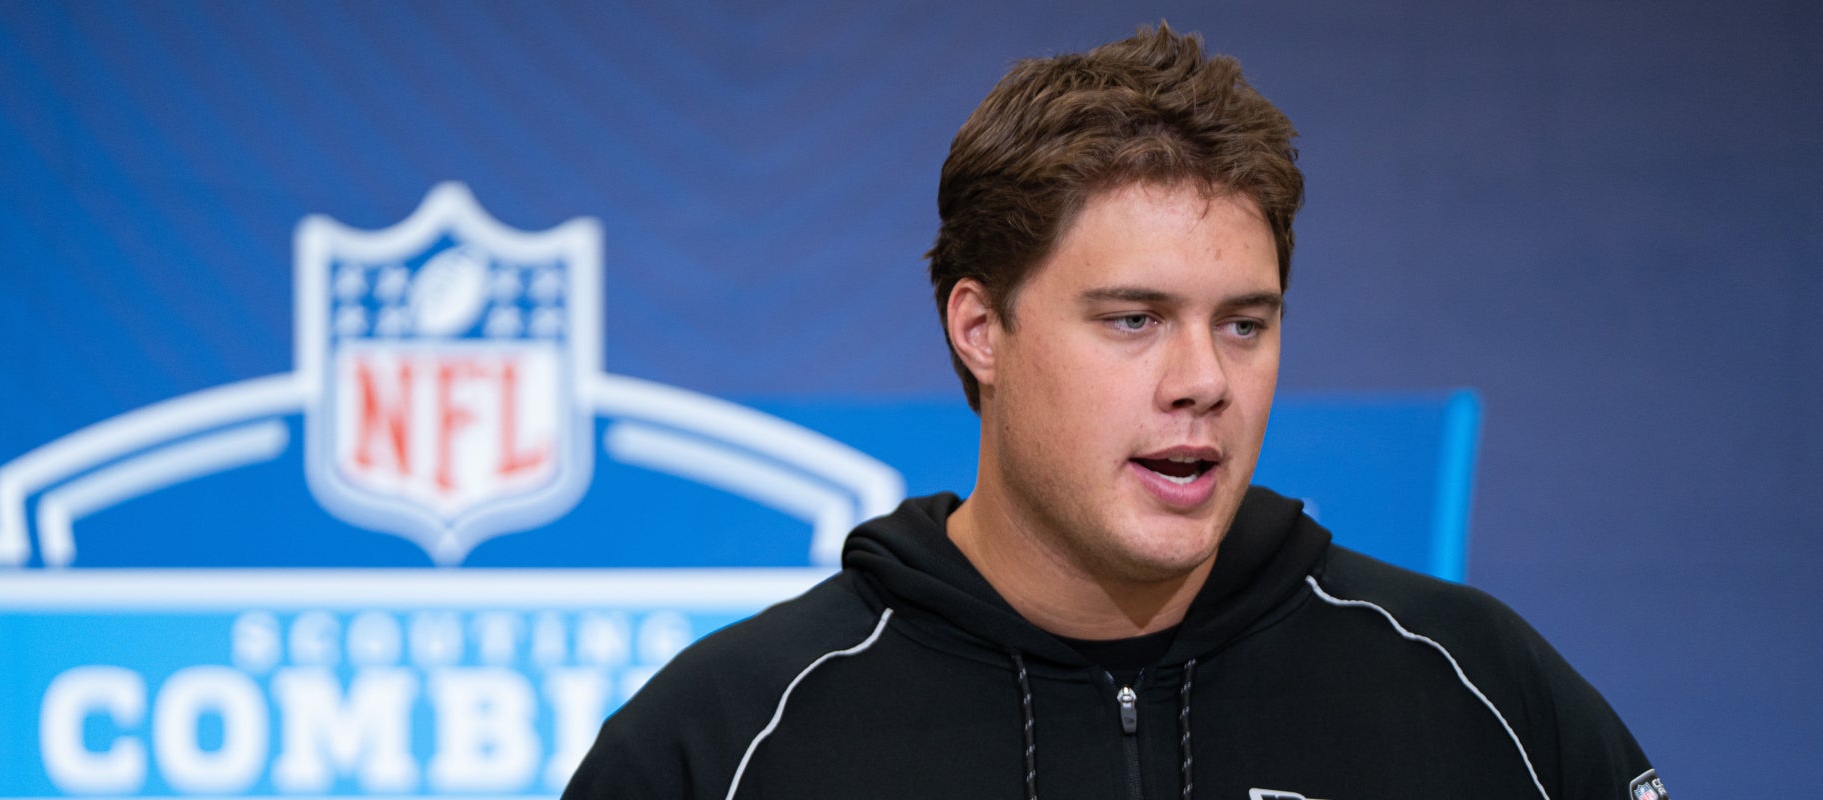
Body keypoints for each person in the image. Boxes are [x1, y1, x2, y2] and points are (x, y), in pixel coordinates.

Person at [565, 24, 1661, 800]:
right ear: (980, 329)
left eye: (1244, 323)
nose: (1204, 379)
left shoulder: (1478, 692)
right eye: (1135, 319)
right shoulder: (727, 740)